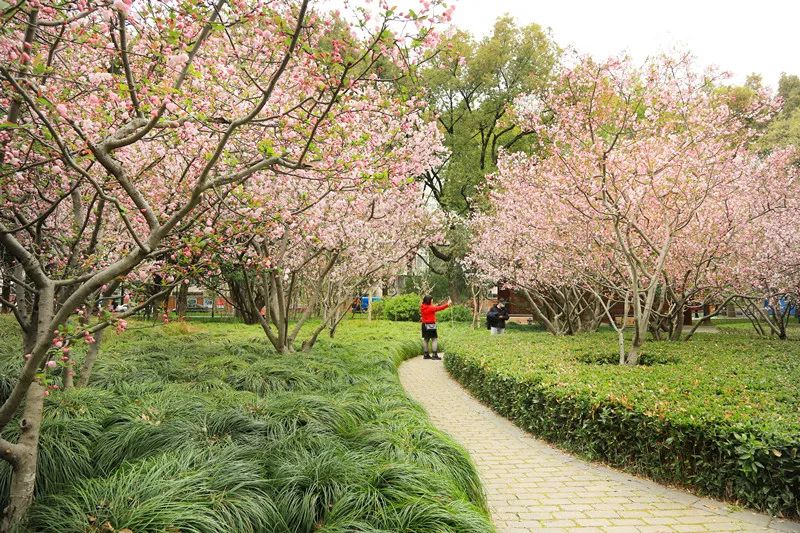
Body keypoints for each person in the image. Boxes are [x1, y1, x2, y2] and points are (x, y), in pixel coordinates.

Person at [420, 295, 450, 360]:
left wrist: (437, 304)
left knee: (426, 339)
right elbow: (439, 308)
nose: (432, 300)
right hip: (431, 325)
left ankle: (426, 354)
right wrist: (447, 304)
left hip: (424, 325)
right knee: (434, 339)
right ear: (429, 300)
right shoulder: (431, 308)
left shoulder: (422, 306)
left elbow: (433, 307)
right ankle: (434, 355)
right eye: (431, 299)